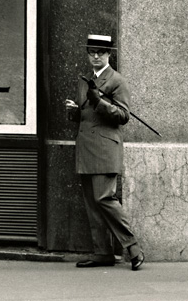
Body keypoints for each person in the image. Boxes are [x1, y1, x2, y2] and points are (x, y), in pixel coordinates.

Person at [65, 34, 144, 270]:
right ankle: (103, 252)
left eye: (101, 52)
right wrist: (74, 111)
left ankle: (133, 247)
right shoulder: (84, 80)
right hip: (87, 149)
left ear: (109, 54)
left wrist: (99, 101)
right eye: (92, 52)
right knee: (92, 203)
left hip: (106, 149)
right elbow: (85, 117)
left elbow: (123, 116)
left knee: (104, 198)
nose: (96, 56)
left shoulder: (117, 81)